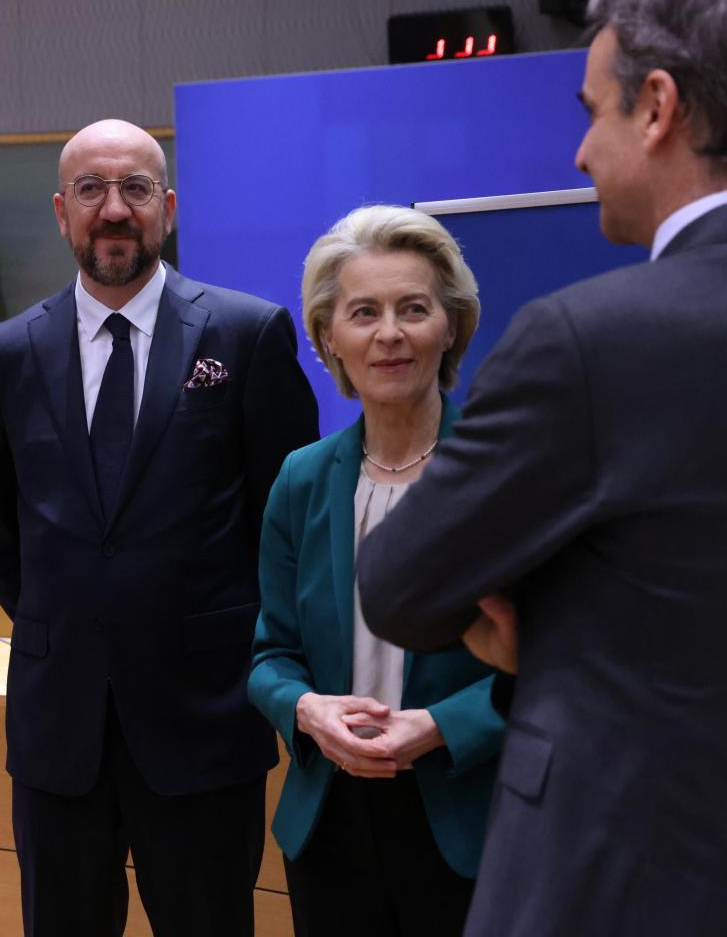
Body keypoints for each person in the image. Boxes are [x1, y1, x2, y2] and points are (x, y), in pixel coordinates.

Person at [356, 0, 727, 934]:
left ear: (661, 108)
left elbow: (399, 584)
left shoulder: (586, 343)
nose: (583, 150)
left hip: (611, 884)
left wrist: (545, 622)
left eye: (594, 113)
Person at [0, 118, 319, 936]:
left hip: (205, 717)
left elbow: (287, 520)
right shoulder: (2, 355)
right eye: (91, 189)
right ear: (61, 210)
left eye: (135, 189)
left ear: (168, 206)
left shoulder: (245, 333)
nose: (113, 209)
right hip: (60, 728)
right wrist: (75, 622)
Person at [247, 205, 503, 937]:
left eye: (413, 309)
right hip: (332, 822)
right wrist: (306, 710)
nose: (389, 333)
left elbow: (557, 656)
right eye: (363, 312)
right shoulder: (301, 479)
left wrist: (438, 725)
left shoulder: (502, 472)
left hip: (469, 817)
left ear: (450, 326)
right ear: (329, 336)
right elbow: (271, 655)